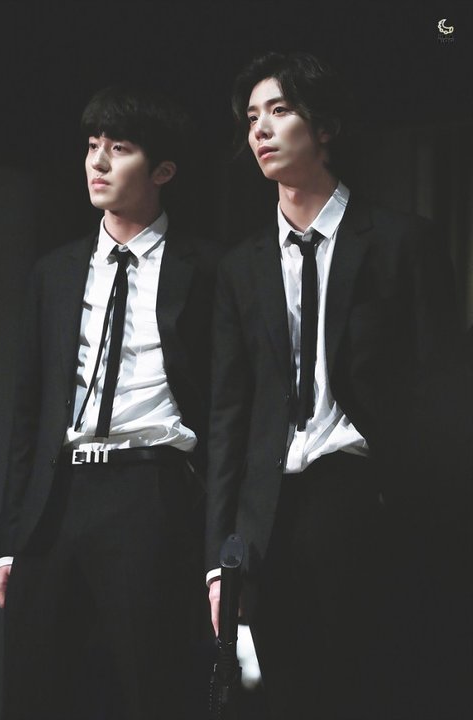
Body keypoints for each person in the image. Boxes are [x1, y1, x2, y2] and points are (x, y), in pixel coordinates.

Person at [205, 52, 471, 719]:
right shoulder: (241, 267)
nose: (260, 130)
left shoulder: (403, 241)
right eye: (251, 118)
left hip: (365, 496)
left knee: (372, 691)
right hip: (268, 513)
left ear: (324, 128)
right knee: (285, 697)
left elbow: (444, 397)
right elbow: (230, 414)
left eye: (279, 111)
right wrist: (219, 558)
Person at [0, 85, 214, 720]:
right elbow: (27, 416)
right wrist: (10, 539)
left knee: (151, 687)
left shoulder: (207, 267)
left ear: (162, 171)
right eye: (93, 145)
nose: (97, 161)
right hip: (58, 495)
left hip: (150, 488)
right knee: (35, 688)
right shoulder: (55, 271)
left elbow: (227, 406)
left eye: (119, 149)